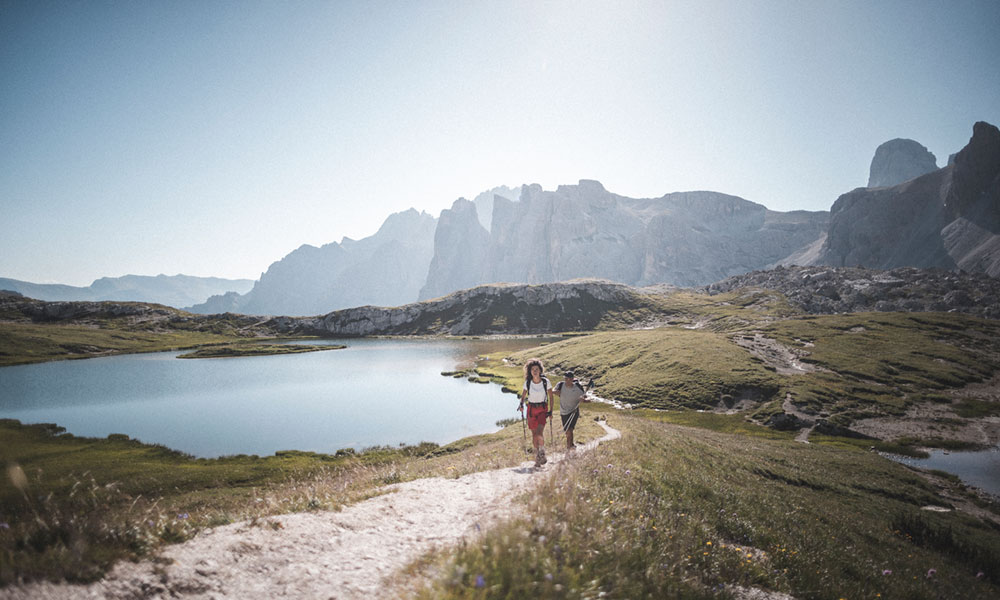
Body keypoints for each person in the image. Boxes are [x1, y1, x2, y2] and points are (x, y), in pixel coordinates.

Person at [519, 358, 553, 467]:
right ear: (530, 371)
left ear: (540, 370)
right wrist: (521, 405)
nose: (535, 371)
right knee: (534, 435)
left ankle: (542, 451)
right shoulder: (528, 383)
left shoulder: (545, 382)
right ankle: (538, 457)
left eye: (536, 369)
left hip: (542, 409)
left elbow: (551, 397)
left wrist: (551, 411)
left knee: (539, 433)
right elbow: (523, 395)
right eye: (533, 369)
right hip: (531, 410)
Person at [553, 371, 589, 451]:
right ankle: (571, 444)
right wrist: (555, 392)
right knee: (567, 431)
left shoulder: (578, 387)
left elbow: (585, 397)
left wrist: (584, 400)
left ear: (573, 379)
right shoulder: (560, 385)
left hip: (574, 411)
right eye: (566, 379)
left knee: (569, 430)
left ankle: (569, 448)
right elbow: (553, 390)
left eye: (570, 379)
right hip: (564, 412)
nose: (568, 381)